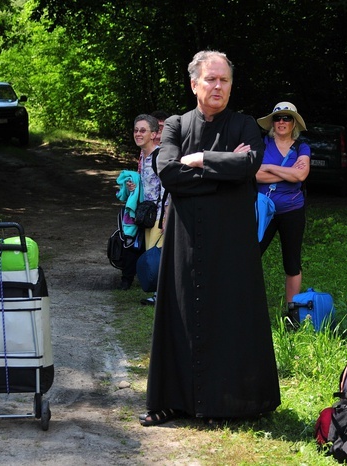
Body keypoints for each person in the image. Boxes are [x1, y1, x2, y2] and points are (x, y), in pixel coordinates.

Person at [139, 50, 280, 426]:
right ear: (194, 84)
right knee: (180, 314)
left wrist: (199, 159)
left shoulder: (245, 123)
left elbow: (249, 165)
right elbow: (168, 171)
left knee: (229, 315)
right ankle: (173, 401)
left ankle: (230, 403)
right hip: (185, 240)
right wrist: (223, 167)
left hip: (232, 241)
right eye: (211, 79)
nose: (218, 86)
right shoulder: (175, 126)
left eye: (225, 80)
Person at [255, 101, 311, 323]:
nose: (281, 122)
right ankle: (244, 304)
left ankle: (293, 313)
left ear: (294, 122)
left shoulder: (302, 146)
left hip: (292, 211)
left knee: (292, 262)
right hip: (263, 211)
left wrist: (268, 167)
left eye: (286, 118)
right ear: (272, 122)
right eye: (277, 118)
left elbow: (301, 175)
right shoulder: (262, 144)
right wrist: (288, 172)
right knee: (250, 255)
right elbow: (254, 175)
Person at [119, 114, 165, 297]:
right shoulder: (144, 156)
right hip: (147, 216)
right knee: (150, 255)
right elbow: (149, 186)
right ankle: (159, 295)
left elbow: (168, 187)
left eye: (143, 130)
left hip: (159, 216)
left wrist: (166, 216)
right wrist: (134, 187)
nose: (138, 134)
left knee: (156, 256)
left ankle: (161, 296)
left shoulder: (160, 157)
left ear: (154, 134)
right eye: (136, 130)